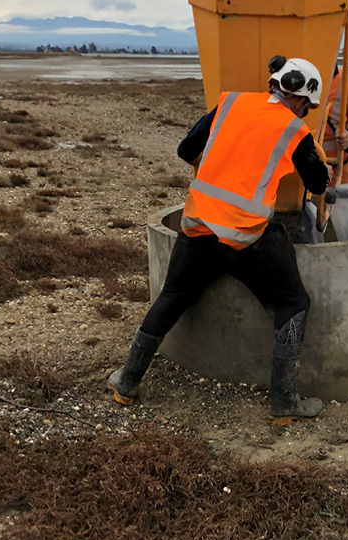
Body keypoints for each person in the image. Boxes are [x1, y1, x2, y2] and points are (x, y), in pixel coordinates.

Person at [108, 56, 332, 419]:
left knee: (173, 296)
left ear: (275, 83)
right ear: (300, 98)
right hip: (248, 237)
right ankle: (285, 402)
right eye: (307, 107)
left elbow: (185, 150)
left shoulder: (230, 104)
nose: (304, 113)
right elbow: (318, 184)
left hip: (197, 226)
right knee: (294, 305)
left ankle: (126, 382)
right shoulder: (294, 131)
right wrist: (318, 166)